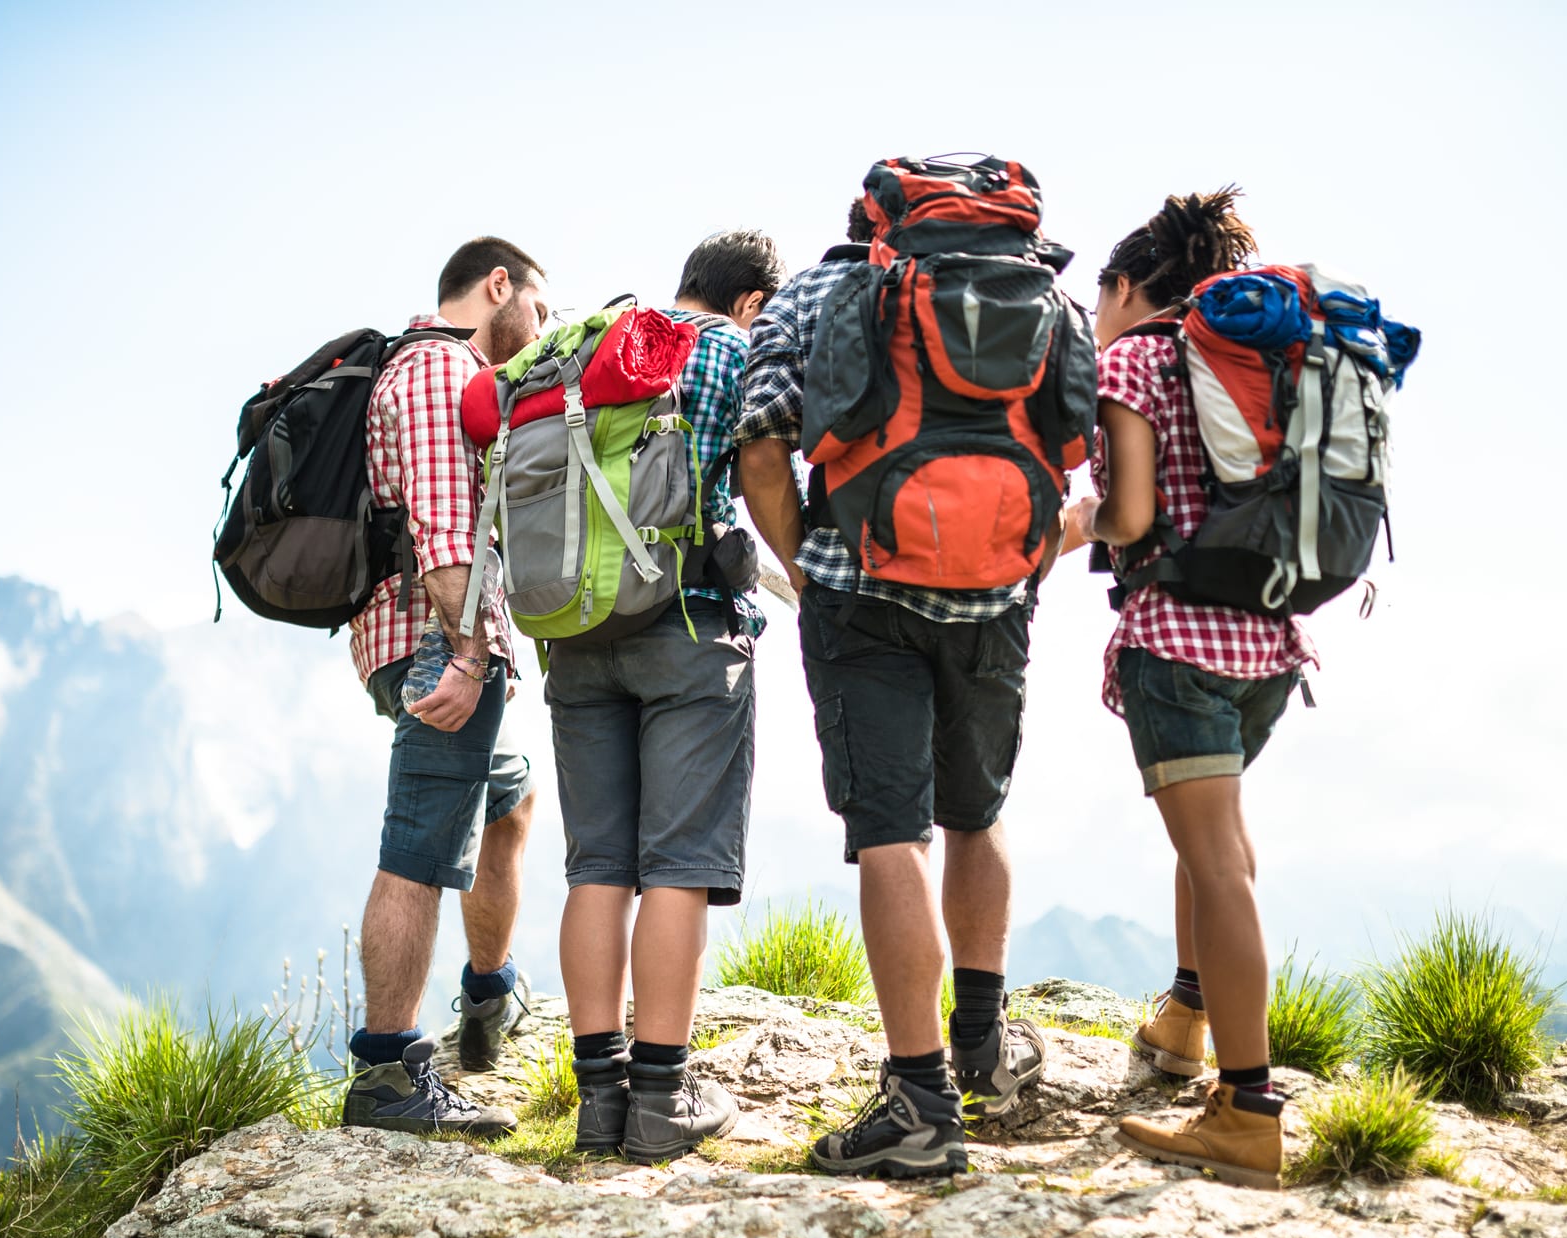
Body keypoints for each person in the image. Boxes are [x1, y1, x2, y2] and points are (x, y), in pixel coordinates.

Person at [735, 198, 1050, 1179]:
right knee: (974, 810)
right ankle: (985, 1050)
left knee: (889, 830)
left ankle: (918, 1100)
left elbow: (758, 448)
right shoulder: (1033, 290)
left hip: (859, 596)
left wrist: (812, 572)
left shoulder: (820, 292)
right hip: (993, 597)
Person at [1062, 189, 1317, 1190]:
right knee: (1211, 843)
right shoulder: (1257, 364)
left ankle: (1245, 1109)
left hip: (1178, 640)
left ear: (1127, 288)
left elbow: (1129, 515)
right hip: (1268, 644)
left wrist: (1070, 524)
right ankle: (1180, 1018)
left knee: (1215, 864)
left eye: (1100, 298)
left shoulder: (1132, 360)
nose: (1097, 319)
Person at [556, 230, 785, 1164]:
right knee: (680, 866)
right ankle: (661, 1097)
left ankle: (596, 1099)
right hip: (688, 628)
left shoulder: (595, 341)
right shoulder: (734, 349)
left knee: (597, 868)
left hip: (575, 634)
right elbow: (767, 472)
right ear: (750, 302)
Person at [340, 237, 552, 1137]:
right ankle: (389, 1075)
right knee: (419, 849)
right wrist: (469, 656)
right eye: (540, 309)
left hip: (437, 635)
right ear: (497, 286)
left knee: (511, 799)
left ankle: (487, 992)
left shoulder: (434, 370)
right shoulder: (435, 368)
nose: (542, 329)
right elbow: (444, 531)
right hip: (438, 638)